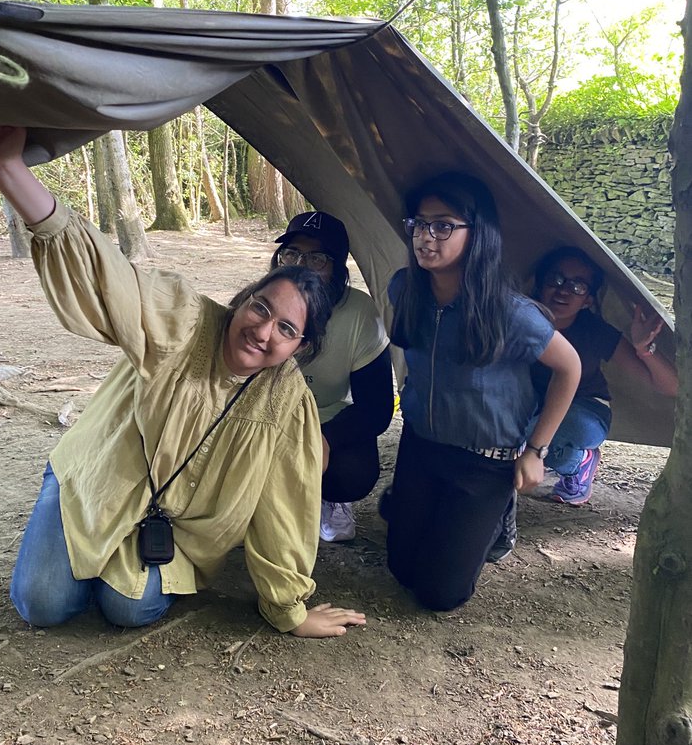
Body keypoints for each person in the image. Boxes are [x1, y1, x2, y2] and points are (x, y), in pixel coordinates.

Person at [0, 124, 367, 640]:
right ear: (244, 298)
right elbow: (109, 278)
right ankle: (64, 517)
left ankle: (119, 571)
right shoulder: (183, 320)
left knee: (127, 610)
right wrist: (9, 170)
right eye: (260, 307)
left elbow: (285, 504)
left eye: (286, 329)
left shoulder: (285, 401)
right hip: (97, 481)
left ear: (300, 348)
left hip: (174, 524)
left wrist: (289, 609)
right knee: (42, 604)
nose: (262, 330)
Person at [379, 171, 581, 612]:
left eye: (444, 225)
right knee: (401, 570)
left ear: (479, 234)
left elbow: (570, 368)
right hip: (421, 447)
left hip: (484, 463)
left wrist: (536, 450)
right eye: (419, 224)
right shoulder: (405, 288)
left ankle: (496, 517)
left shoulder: (512, 314)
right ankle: (425, 513)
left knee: (439, 594)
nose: (426, 237)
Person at [271, 212, 394, 542]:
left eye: (317, 258)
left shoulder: (360, 314)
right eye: (292, 254)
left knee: (352, 474)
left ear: (338, 268)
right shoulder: (263, 303)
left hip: (325, 417)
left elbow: (376, 409)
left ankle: (330, 498)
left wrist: (323, 439)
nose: (301, 266)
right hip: (267, 415)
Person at [529, 246, 677, 505]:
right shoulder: (520, 321)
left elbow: (670, 387)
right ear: (541, 283)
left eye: (578, 286)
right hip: (532, 408)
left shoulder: (595, 332)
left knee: (542, 440)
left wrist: (644, 349)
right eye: (557, 279)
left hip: (583, 412)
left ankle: (580, 463)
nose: (564, 290)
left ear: (588, 300)